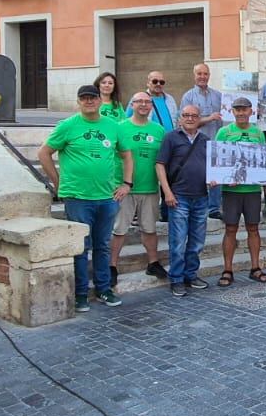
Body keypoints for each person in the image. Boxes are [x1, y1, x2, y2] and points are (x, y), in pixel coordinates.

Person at [37, 84, 122, 311]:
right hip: (77, 197)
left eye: (92, 98)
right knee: (80, 248)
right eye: (84, 98)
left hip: (106, 196)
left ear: (99, 100)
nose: (89, 101)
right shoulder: (68, 126)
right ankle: (81, 293)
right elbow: (44, 153)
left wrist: (126, 183)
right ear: (78, 101)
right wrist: (58, 182)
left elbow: (126, 154)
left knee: (103, 245)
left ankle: (104, 289)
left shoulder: (112, 126)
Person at [212, 97, 266, 286]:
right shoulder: (224, 132)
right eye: (238, 110)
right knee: (230, 229)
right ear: (233, 112)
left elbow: (262, 161)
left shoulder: (258, 133)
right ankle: (227, 269)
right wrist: (224, 177)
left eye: (245, 109)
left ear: (251, 111)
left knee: (253, 228)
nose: (241, 113)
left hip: (252, 189)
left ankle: (255, 267)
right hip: (231, 190)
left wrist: (263, 179)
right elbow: (216, 160)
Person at [112, 91, 169, 282]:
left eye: (147, 102)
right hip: (124, 189)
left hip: (150, 187)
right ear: (132, 105)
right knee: (119, 229)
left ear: (151, 106)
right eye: (139, 102)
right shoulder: (119, 128)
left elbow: (163, 159)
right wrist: (116, 183)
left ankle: (153, 263)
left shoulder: (159, 130)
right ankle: (112, 266)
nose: (143, 105)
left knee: (150, 229)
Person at [157, 104, 212, 296]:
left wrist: (213, 179)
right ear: (180, 118)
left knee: (197, 241)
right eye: (186, 115)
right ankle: (177, 279)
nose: (190, 118)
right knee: (178, 241)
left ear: (199, 118)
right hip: (178, 197)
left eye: (194, 115)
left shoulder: (206, 140)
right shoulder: (171, 137)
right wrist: (167, 193)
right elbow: (160, 165)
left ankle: (191, 274)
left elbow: (212, 166)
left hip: (201, 197)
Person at [179, 63, 224, 217]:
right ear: (194, 75)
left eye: (205, 74)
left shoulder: (218, 95)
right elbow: (185, 121)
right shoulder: (188, 96)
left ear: (209, 75)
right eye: (199, 74)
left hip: (216, 140)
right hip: (196, 142)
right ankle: (198, 206)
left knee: (216, 175)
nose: (202, 77)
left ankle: (214, 208)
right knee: (198, 173)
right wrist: (209, 118)